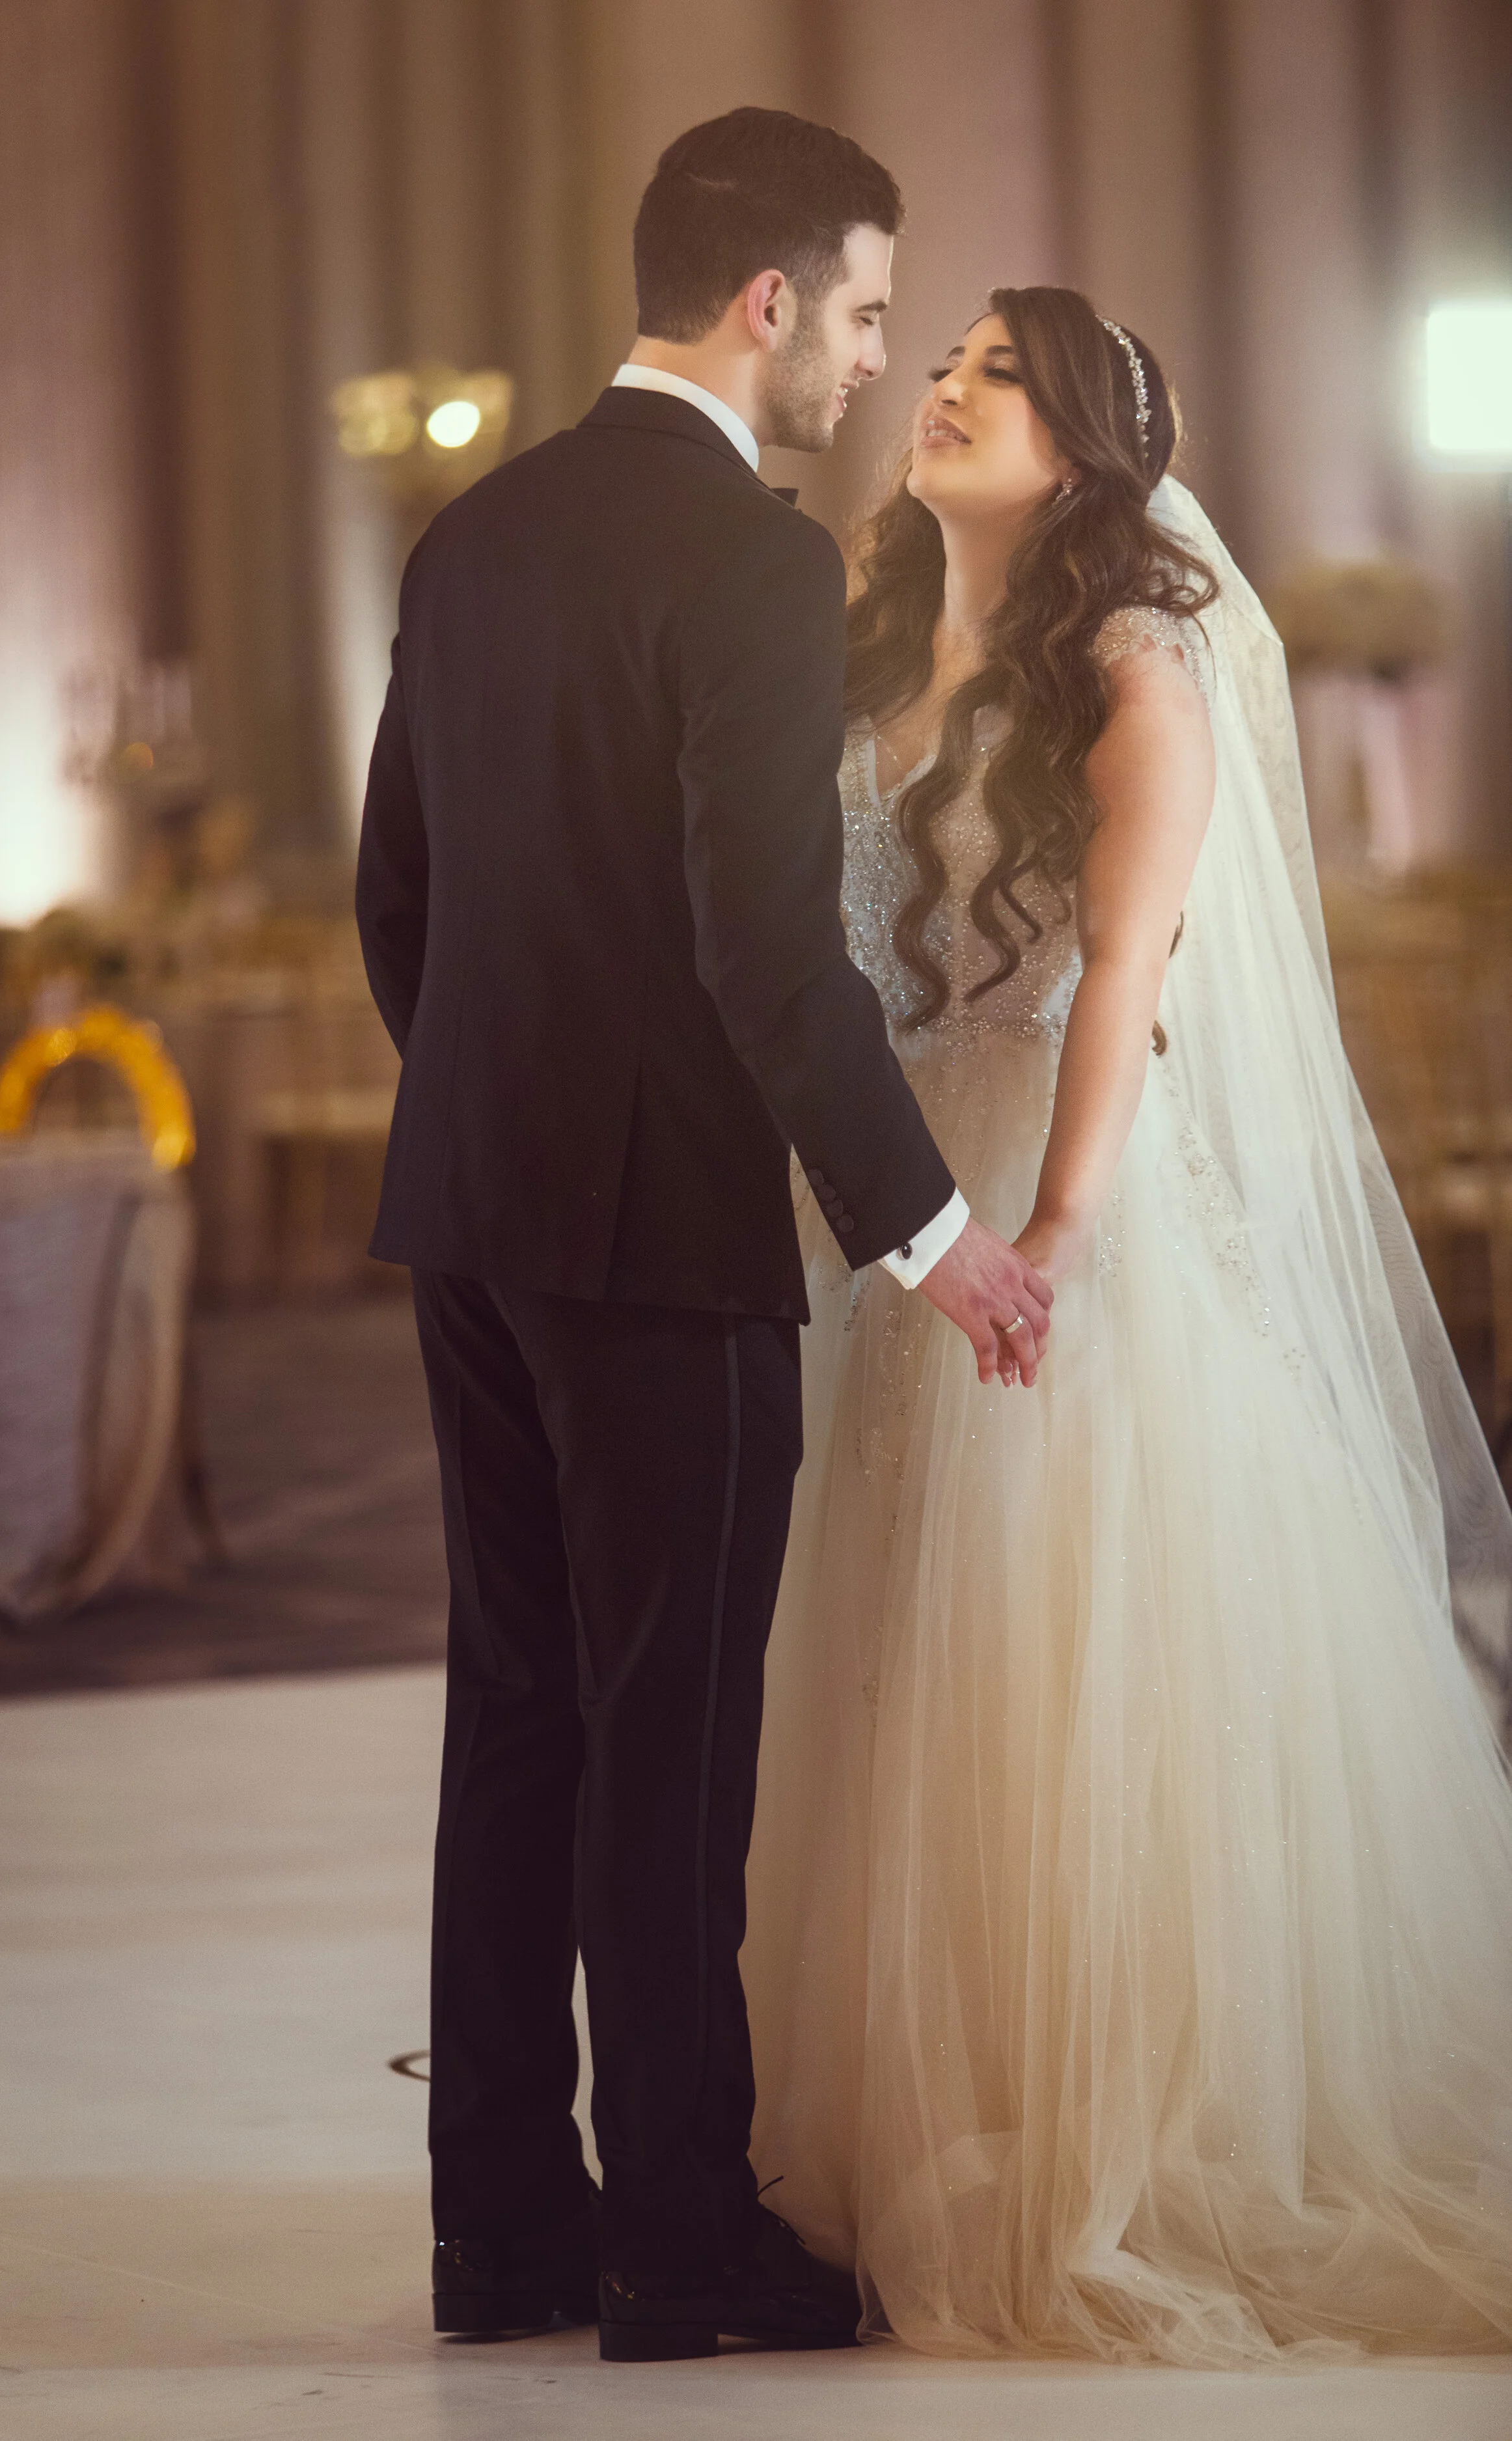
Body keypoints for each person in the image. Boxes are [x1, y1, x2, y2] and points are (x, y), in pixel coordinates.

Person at [742, 285, 1512, 2366]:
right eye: (944, 360)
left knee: (1042, 1646)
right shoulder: (876, 647)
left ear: (1080, 448)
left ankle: (1093, 2127)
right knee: (895, 1645)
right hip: (889, 1205)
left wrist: (1060, 1235)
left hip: (1053, 1189)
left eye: (994, 372)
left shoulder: (1134, 661)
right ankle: (924, 2097)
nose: (944, 388)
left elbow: (1125, 972)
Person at [355, 114, 1053, 2365]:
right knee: (673, 1747)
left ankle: (501, 2231)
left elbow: (401, 906)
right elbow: (767, 955)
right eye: (862, 311)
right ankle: (673, 2235)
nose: (867, 360)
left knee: (520, 1716)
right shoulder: (746, 561)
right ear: (767, 304)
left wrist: (500, 1102)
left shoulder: (471, 536)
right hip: (656, 1227)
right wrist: (932, 1233)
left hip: (473, 1205)